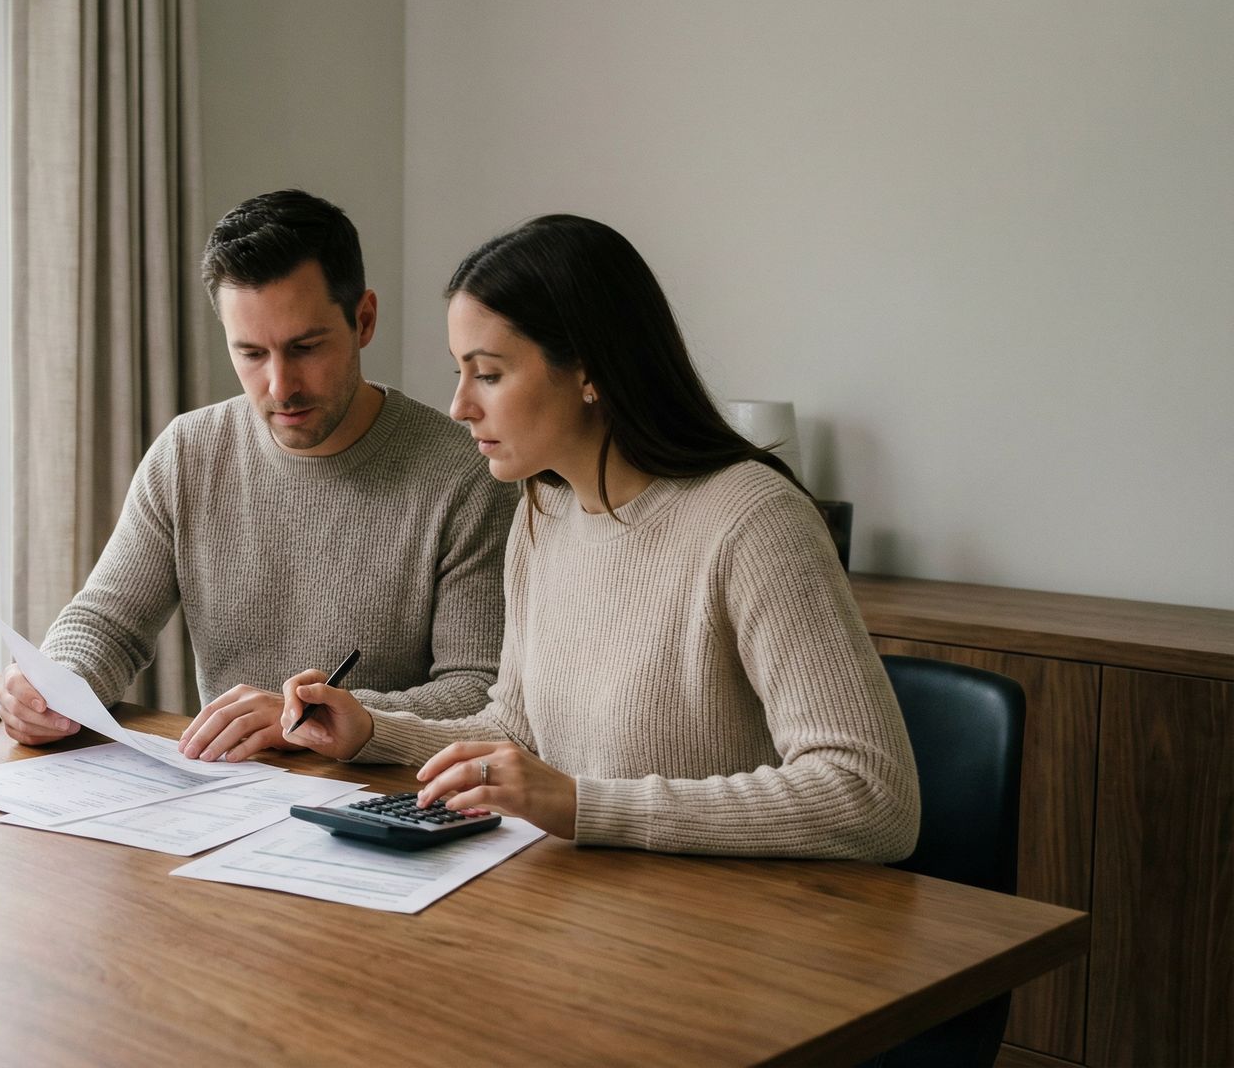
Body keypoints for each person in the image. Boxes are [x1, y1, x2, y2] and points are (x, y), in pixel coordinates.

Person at [278, 215, 920, 859]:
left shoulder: (752, 522)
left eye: (490, 374)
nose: (461, 406)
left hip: (723, 929)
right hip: (588, 908)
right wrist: (369, 729)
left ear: (589, 372)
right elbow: (520, 732)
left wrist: (586, 805)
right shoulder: (543, 514)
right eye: (459, 374)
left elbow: (871, 795)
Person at [0, 189, 518, 761]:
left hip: (381, 803)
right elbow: (109, 620)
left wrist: (314, 716)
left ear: (363, 320)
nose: (280, 386)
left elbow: (477, 693)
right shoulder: (189, 452)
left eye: (306, 347)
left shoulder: (467, 474)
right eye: (250, 353)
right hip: (225, 796)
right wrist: (57, 686)